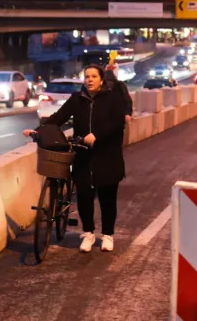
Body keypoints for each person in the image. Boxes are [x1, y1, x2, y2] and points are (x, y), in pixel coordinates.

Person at [22, 65, 128, 253]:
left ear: (101, 79)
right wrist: (38, 131)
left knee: (107, 198)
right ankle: (88, 233)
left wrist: (97, 135)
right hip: (83, 154)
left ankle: (107, 235)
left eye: (94, 76)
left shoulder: (112, 98)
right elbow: (58, 117)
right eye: (87, 76)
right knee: (84, 196)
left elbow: (117, 124)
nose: (90, 80)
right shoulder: (76, 99)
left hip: (107, 155)